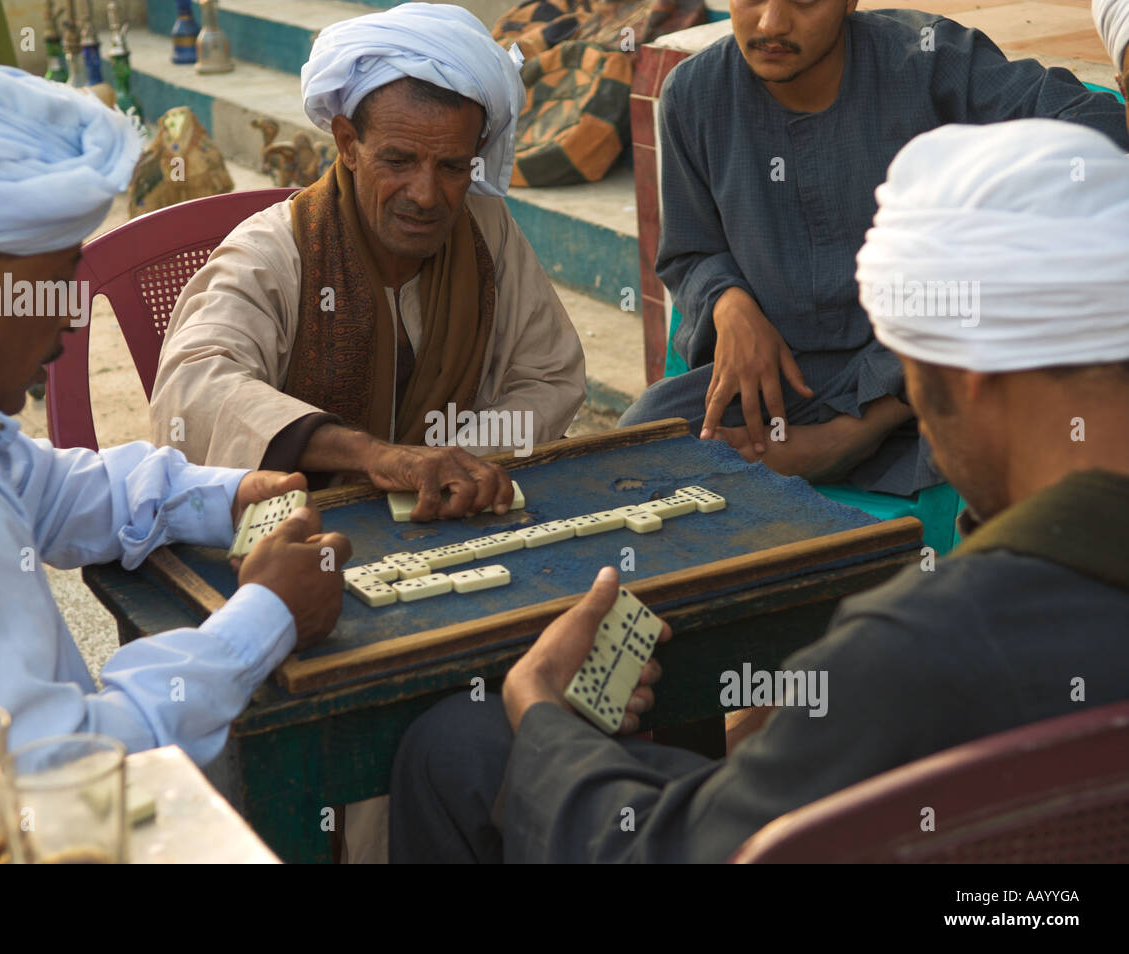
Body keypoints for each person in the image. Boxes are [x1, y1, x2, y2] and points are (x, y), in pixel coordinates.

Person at [388, 118, 1129, 862]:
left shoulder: (918, 649)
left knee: (458, 749)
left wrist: (541, 706)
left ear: (969, 383)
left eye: (916, 389)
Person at [0, 59, 351, 765]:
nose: (73, 321)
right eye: (55, 284)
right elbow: (44, 768)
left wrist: (221, 496)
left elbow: (38, 487)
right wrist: (264, 620)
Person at [619, 0, 1129, 496]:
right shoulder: (694, 93)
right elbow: (690, 251)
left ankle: (854, 435)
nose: (771, 22)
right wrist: (727, 302)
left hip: (926, 380)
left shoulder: (930, 59)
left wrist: (984, 217)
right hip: (789, 379)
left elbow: (1093, 121)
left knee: (1004, 445)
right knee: (638, 447)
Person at [149, 3, 586, 521]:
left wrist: (455, 464)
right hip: (304, 535)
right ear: (347, 144)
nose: (425, 195)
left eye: (450, 166)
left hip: (451, 515)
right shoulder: (273, 251)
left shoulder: (484, 228)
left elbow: (549, 374)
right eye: (398, 161)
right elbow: (194, 386)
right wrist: (378, 459)